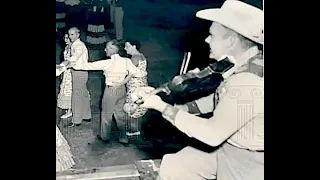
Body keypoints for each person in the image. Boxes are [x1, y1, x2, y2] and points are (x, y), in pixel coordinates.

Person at [133, 1, 264, 179]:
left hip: (247, 159)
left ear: (231, 41)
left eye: (212, 35)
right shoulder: (247, 62)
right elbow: (222, 98)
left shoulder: (246, 83)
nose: (207, 40)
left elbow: (212, 134)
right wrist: (186, 109)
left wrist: (163, 108)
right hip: (228, 144)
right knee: (175, 166)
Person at [69, 39, 147, 144]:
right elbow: (139, 73)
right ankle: (123, 138)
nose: (105, 49)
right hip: (122, 90)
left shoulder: (107, 63)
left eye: (107, 48)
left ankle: (104, 137)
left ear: (113, 50)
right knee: (121, 114)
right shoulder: (127, 61)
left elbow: (86, 66)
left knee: (106, 115)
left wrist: (68, 64)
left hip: (110, 91)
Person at [64, 27, 92, 127]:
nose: (70, 37)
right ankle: (86, 115)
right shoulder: (75, 44)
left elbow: (75, 57)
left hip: (79, 72)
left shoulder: (78, 45)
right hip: (82, 72)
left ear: (78, 34)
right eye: (69, 34)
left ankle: (76, 120)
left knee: (76, 96)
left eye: (72, 34)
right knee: (83, 93)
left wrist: (64, 64)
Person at [57, 34, 73, 119]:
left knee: (69, 90)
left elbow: (70, 61)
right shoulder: (67, 47)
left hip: (70, 71)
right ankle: (69, 109)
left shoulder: (73, 48)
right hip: (66, 71)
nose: (65, 39)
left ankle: (70, 110)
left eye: (67, 38)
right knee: (65, 88)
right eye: (65, 37)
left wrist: (61, 67)